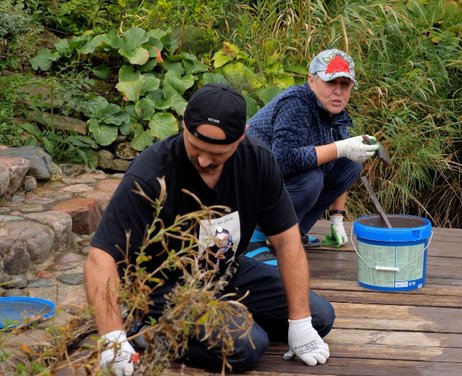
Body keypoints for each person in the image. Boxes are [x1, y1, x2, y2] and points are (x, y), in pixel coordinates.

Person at [83, 83, 334, 375]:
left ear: (241, 137)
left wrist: (300, 323)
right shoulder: (151, 172)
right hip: (163, 285)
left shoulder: (258, 161)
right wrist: (111, 338)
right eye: (195, 147)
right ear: (183, 124)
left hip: (226, 271)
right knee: (248, 344)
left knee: (319, 317)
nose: (203, 160)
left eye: (217, 154)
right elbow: (100, 256)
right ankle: (145, 332)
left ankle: (228, 319)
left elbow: (287, 242)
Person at [247, 48, 380, 253]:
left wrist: (337, 217)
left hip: (277, 185)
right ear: (311, 81)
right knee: (311, 178)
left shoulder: (333, 111)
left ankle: (294, 233)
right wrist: (341, 147)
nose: (338, 91)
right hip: (250, 182)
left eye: (344, 84)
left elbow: (340, 158)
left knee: (351, 165)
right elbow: (283, 160)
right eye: (330, 82)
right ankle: (256, 239)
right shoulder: (296, 102)